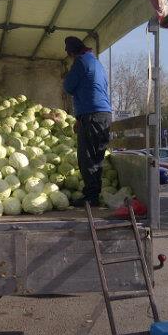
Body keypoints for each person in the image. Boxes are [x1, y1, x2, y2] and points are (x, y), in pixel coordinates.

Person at [62, 36, 112, 207]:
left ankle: (91, 197)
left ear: (71, 52)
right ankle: (94, 195)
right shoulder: (97, 63)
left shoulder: (80, 62)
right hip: (104, 114)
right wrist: (79, 118)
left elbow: (68, 87)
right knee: (97, 156)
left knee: (87, 158)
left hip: (91, 115)